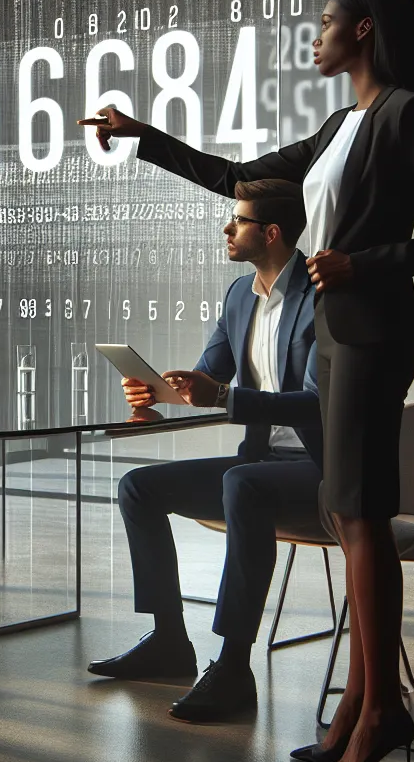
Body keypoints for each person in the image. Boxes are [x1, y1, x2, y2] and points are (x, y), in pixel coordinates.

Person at [84, 0, 414, 762]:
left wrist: (361, 261)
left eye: (328, 21)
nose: (316, 33)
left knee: (362, 520)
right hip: (339, 336)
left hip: (371, 333)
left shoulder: (407, 113)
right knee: (347, 518)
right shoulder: (341, 123)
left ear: (364, 30)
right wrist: (140, 135)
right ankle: (358, 706)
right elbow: (237, 177)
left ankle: (379, 709)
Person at [86, 179, 325, 724]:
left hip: (320, 468)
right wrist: (160, 389)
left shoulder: (321, 295)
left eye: (237, 220)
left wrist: (220, 395)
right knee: (138, 486)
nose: (226, 228)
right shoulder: (239, 295)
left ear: (270, 232)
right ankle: (170, 640)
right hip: (260, 463)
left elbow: (315, 404)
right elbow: (209, 377)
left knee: (242, 482)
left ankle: (234, 665)